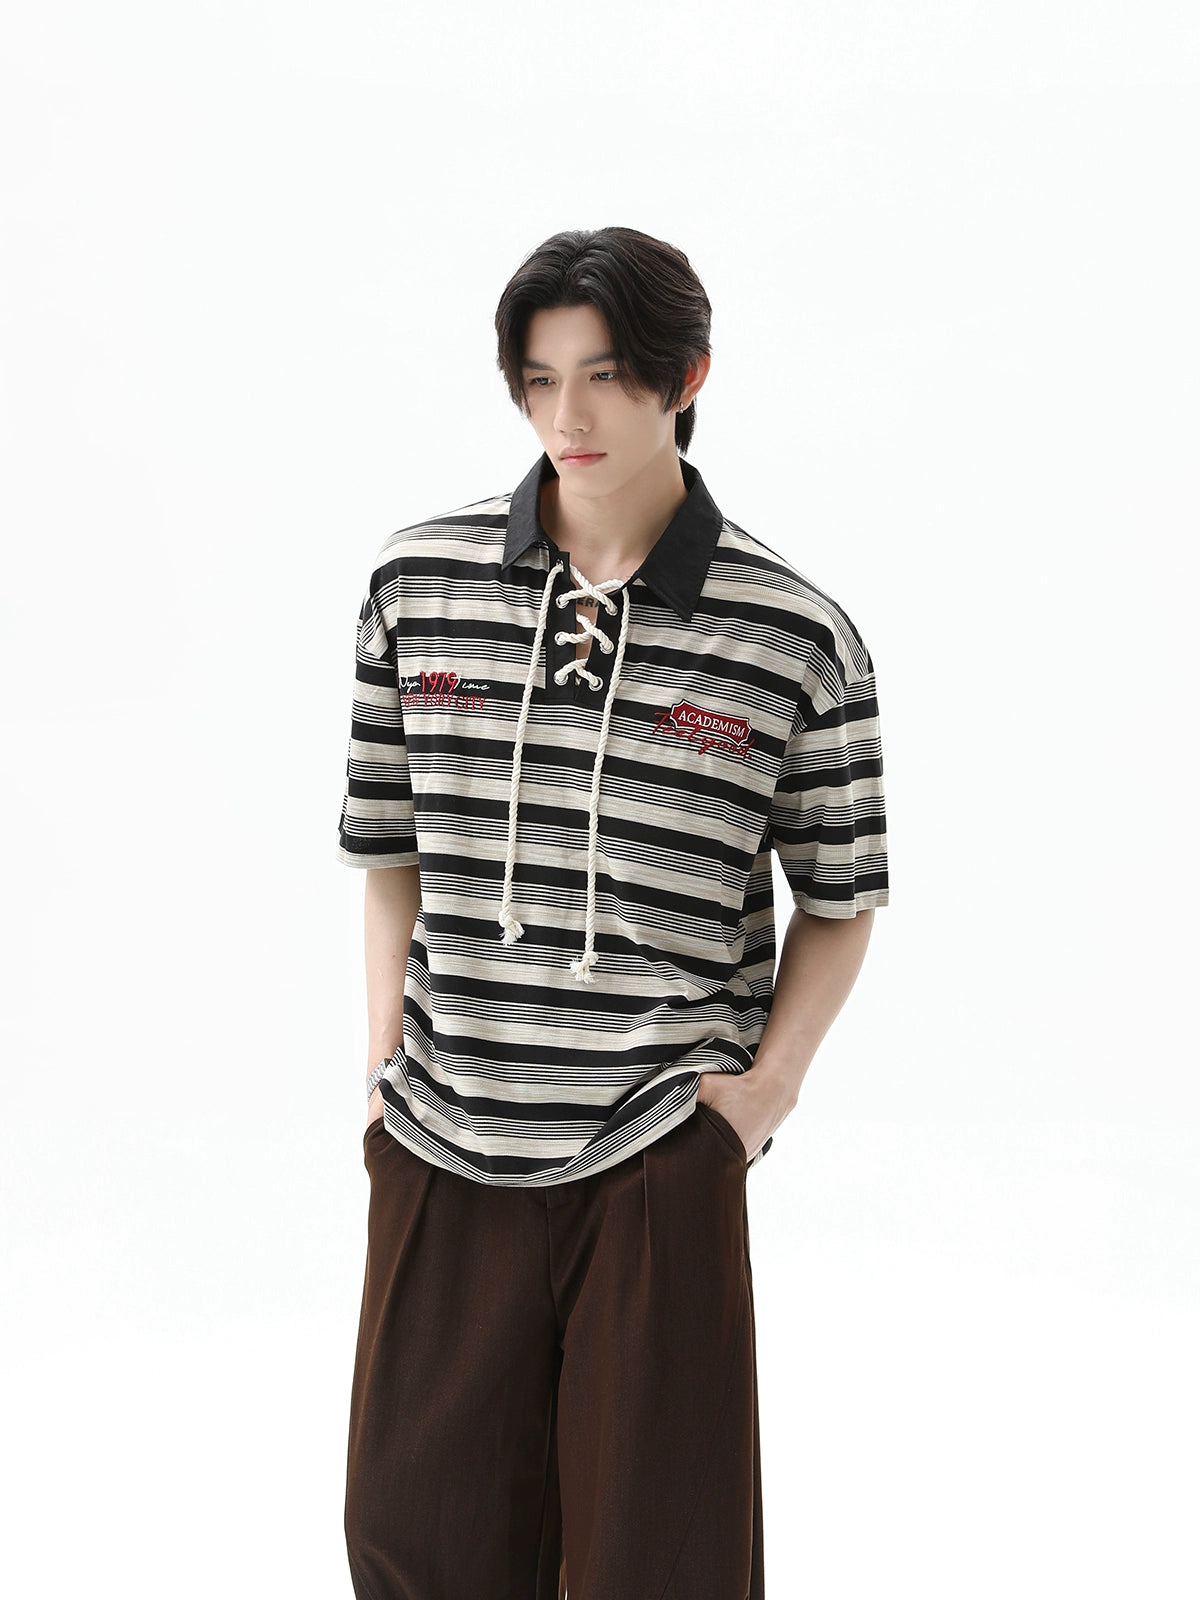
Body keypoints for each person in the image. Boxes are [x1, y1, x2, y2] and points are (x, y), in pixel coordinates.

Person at [336, 226, 888, 1599]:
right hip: (443, 1134)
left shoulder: (795, 636)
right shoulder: (417, 585)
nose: (565, 418)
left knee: (661, 1565)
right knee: (417, 1549)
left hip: (656, 1147)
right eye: (538, 380)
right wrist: (381, 1069)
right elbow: (389, 850)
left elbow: (842, 896)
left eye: (602, 377)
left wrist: (761, 1098)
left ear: (685, 377)